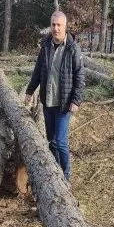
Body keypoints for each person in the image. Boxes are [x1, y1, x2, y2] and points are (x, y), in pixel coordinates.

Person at [25, 11, 85, 182]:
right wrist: (30, 91)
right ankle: (55, 171)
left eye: (59, 25)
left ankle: (65, 177)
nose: (56, 28)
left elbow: (80, 76)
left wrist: (76, 100)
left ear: (65, 27)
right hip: (48, 101)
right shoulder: (45, 45)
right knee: (51, 140)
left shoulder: (72, 48)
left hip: (64, 104)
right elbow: (38, 71)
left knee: (61, 142)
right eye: (53, 25)